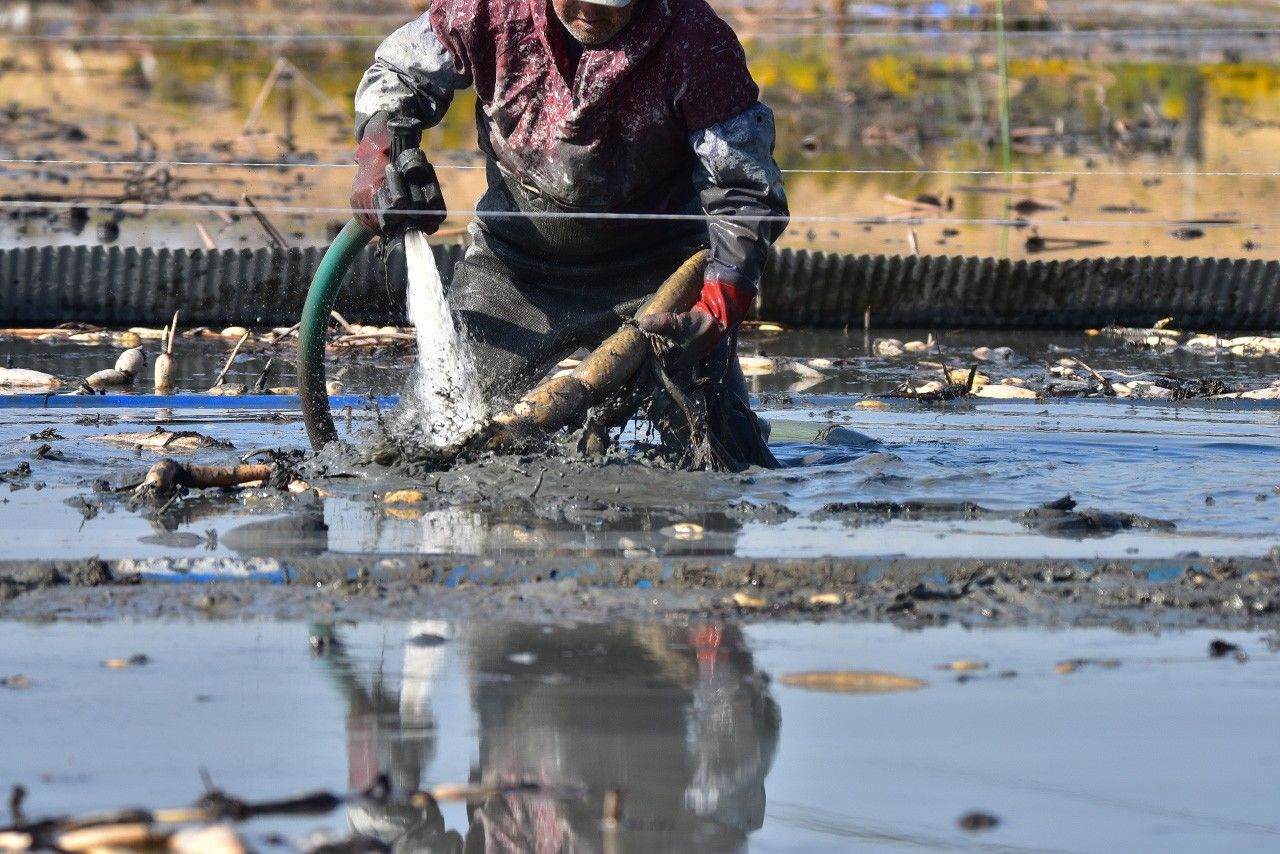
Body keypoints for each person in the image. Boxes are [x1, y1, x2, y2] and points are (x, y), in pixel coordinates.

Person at [351, 0, 789, 469]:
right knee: (428, 440)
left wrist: (715, 312)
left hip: (658, 278)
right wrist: (379, 153)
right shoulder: (488, 10)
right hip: (514, 269)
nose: (591, 11)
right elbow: (399, 73)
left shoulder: (695, 39)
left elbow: (744, 193)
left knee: (730, 458)